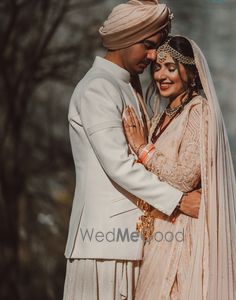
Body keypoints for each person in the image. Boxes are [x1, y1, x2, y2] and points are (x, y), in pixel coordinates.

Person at [63, 2, 200, 299]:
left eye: (157, 47)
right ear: (125, 38)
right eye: (148, 46)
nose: (153, 57)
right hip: (103, 247)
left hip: (131, 242)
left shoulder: (127, 85)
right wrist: (179, 201)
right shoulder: (98, 88)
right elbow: (119, 165)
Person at [122, 35, 236, 299]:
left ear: (192, 73)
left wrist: (143, 149)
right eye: (157, 67)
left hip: (185, 235)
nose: (161, 75)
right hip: (160, 229)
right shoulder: (163, 116)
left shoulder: (199, 112)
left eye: (171, 68)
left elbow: (185, 177)